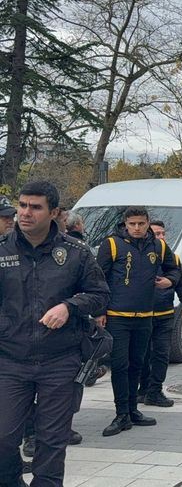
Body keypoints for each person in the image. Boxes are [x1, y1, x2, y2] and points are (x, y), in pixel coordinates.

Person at [0, 181, 110, 487]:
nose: (25, 213)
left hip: (59, 361)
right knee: (3, 439)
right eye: (22, 205)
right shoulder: (2, 250)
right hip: (9, 361)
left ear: (54, 212)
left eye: (35, 207)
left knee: (51, 442)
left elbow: (101, 296)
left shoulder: (75, 252)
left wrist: (70, 306)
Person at [96, 206, 182, 437]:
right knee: (120, 365)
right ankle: (121, 412)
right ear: (125, 223)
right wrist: (100, 311)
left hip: (146, 316)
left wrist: (169, 280)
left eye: (141, 224)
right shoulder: (112, 244)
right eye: (132, 224)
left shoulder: (159, 245)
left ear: (147, 224)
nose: (136, 228)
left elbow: (175, 269)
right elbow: (98, 280)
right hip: (117, 317)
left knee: (138, 364)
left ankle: (133, 409)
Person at [138, 220, 182, 408]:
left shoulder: (172, 258)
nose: (161, 237)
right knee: (142, 355)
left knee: (161, 353)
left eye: (163, 233)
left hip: (165, 313)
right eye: (156, 234)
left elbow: (181, 282)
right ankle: (143, 389)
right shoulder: (142, 256)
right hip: (142, 315)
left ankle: (155, 391)